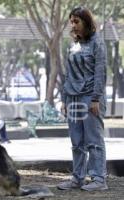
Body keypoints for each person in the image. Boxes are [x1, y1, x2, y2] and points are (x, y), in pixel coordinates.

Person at [57, 7, 108, 191]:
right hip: (72, 97)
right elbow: (68, 74)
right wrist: (64, 98)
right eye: (71, 22)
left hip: (90, 97)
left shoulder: (97, 42)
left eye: (76, 21)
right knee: (76, 141)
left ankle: (98, 179)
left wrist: (96, 99)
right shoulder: (73, 45)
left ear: (86, 22)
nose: (73, 25)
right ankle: (77, 178)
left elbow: (100, 72)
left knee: (93, 140)